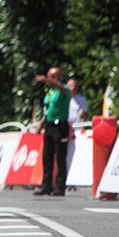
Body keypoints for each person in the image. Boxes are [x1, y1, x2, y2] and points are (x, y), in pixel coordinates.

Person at [33, 67, 71, 196]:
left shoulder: (64, 89)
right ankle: (47, 185)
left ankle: (60, 187)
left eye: (52, 77)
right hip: (49, 126)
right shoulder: (50, 92)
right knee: (47, 157)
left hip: (60, 126)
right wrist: (40, 124)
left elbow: (61, 88)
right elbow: (48, 109)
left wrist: (46, 79)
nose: (49, 80)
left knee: (60, 157)